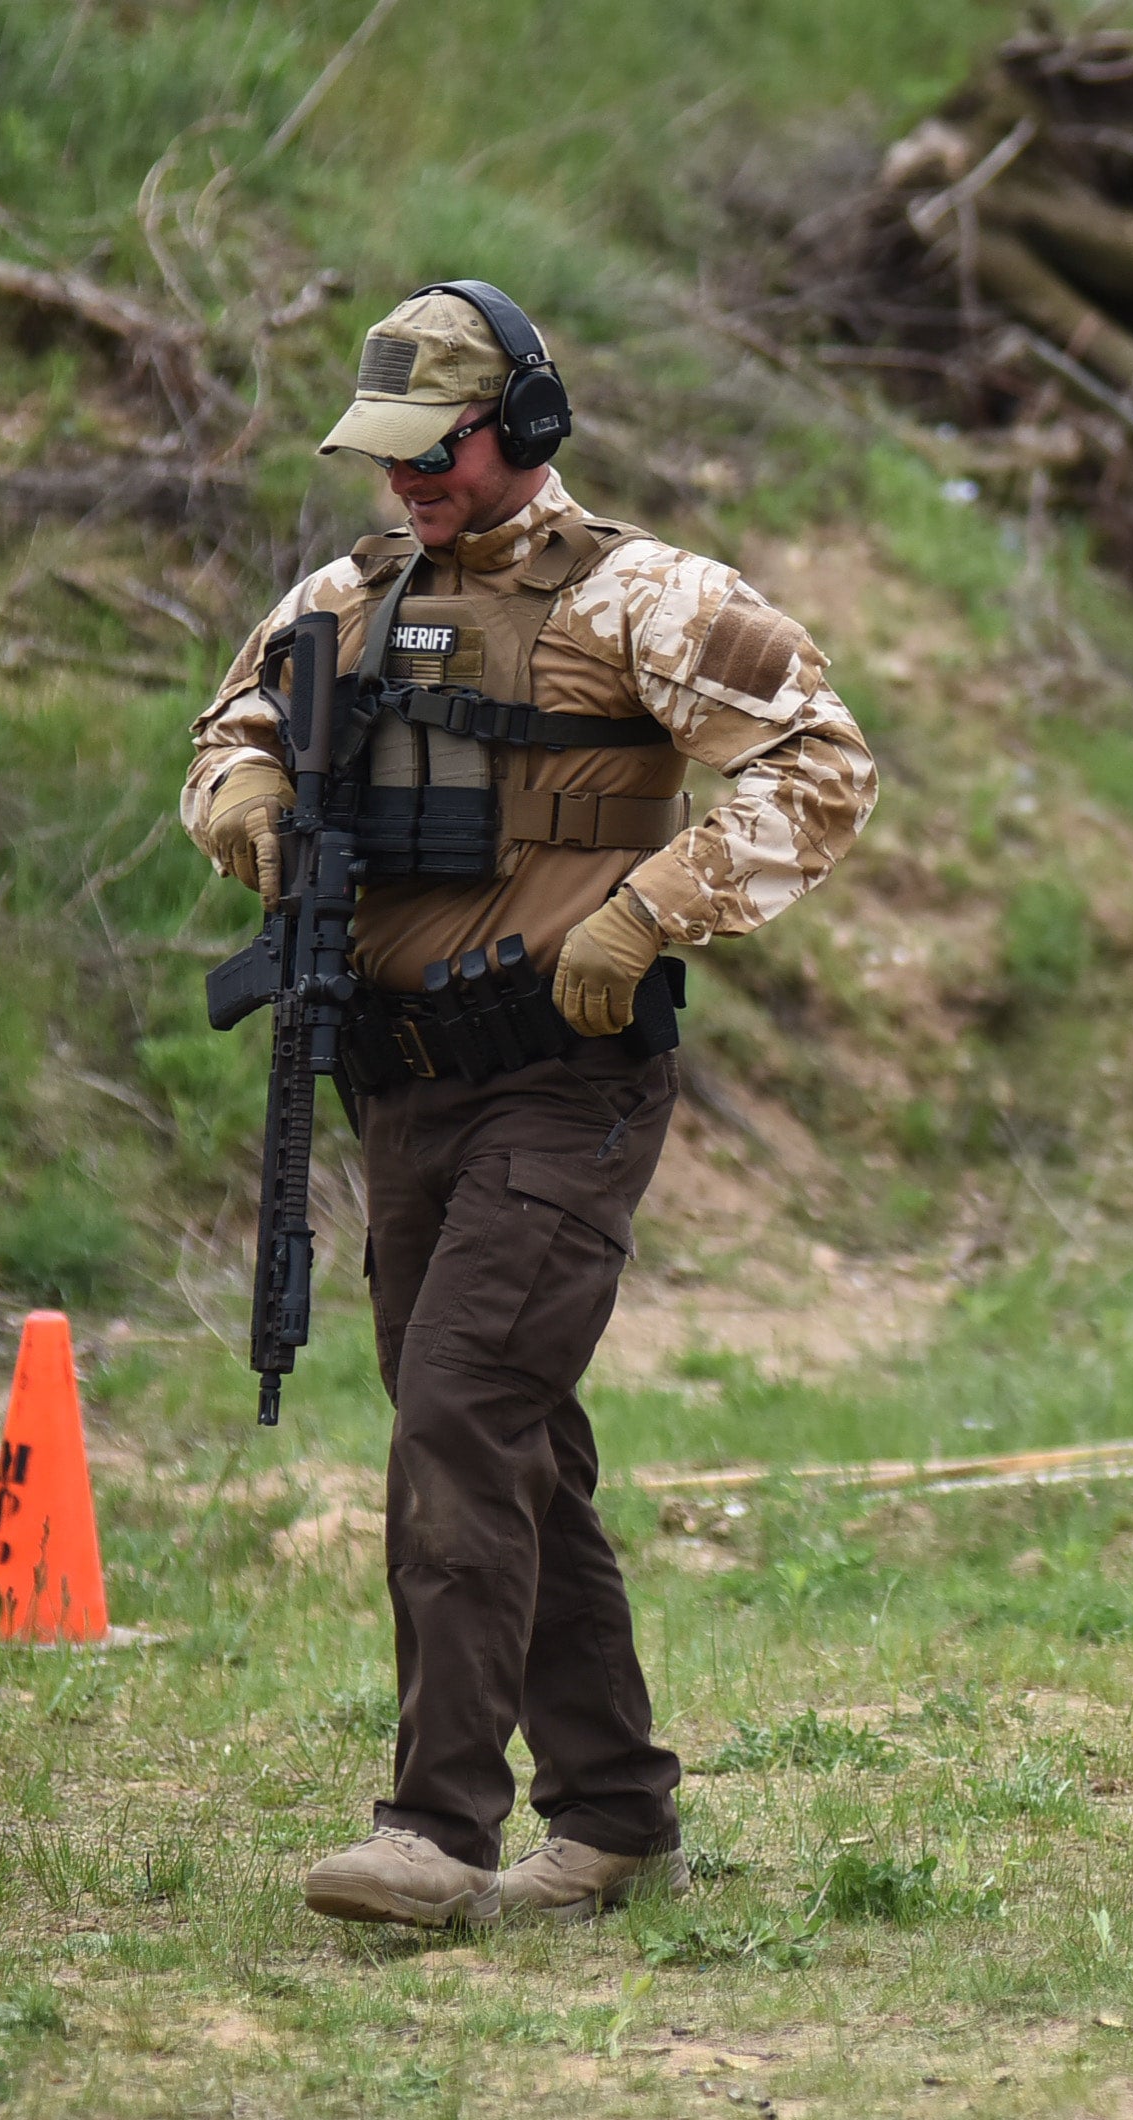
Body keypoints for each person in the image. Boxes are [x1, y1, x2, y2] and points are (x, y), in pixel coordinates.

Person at [182, 282, 876, 1928]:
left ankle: (435, 1825)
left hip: (568, 1082)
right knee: (514, 1447)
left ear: (527, 431)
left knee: (460, 1415)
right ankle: (618, 1810)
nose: (411, 480)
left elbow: (821, 762)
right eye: (389, 452)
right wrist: (255, 798)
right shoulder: (340, 600)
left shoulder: (645, 594)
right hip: (403, 1089)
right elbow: (223, 736)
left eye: (441, 447)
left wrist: (651, 906)